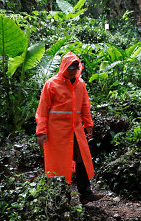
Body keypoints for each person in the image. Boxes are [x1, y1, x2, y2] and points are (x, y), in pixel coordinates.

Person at [36, 52, 104, 205]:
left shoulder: (80, 84)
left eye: (75, 68)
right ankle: (59, 199)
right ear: (64, 67)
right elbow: (42, 110)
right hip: (57, 133)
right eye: (70, 68)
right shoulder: (51, 84)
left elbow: (85, 106)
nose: (73, 71)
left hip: (75, 130)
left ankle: (86, 193)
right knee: (58, 165)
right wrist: (41, 132)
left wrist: (88, 124)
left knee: (81, 160)